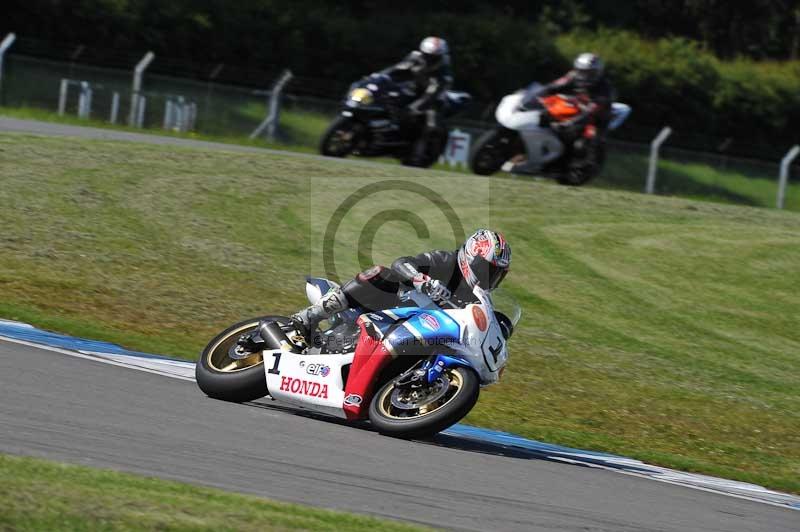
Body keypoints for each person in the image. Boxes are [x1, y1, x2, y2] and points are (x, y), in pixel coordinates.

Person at [287, 229, 511, 344]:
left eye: (495, 274)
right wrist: (423, 281)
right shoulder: (446, 261)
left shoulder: (477, 299)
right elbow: (401, 263)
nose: (488, 277)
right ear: (470, 257)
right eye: (486, 268)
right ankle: (309, 316)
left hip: (419, 336)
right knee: (381, 274)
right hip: (389, 310)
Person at [382, 36, 454, 165]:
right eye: (427, 55)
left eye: (434, 57)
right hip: (413, 89)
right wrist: (380, 77)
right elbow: (397, 69)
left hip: (434, 98)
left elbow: (434, 92)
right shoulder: (415, 56)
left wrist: (417, 107)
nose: (429, 59)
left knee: (431, 125)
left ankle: (418, 154)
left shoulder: (444, 68)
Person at [525, 52, 616, 144]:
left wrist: (569, 123)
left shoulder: (605, 88)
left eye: (590, 73)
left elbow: (591, 111)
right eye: (582, 71)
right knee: (546, 114)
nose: (585, 76)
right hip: (577, 106)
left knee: (591, 140)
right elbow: (554, 86)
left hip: (596, 117)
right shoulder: (573, 76)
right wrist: (536, 95)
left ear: (598, 72)